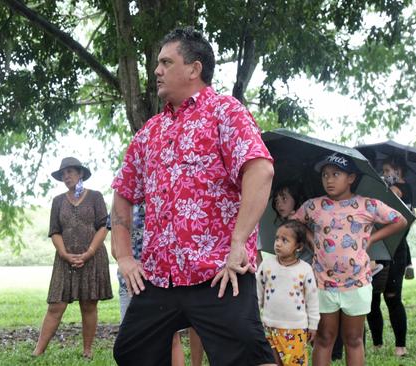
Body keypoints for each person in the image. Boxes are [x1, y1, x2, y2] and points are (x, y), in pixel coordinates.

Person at [111, 27, 276, 366]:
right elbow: (124, 194)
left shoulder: (225, 112)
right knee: (130, 351)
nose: (156, 70)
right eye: (157, 63)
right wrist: (125, 257)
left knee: (247, 355)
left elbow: (260, 171)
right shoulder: (148, 133)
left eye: (166, 62)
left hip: (218, 272)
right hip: (159, 276)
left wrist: (238, 244)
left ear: (194, 68)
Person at [292, 152, 407, 366]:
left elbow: (400, 220)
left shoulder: (367, 205)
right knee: (324, 338)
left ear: (351, 178)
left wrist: (372, 238)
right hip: (323, 283)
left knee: (353, 339)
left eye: (336, 174)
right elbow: (296, 221)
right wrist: (312, 241)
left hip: (357, 283)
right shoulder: (313, 206)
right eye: (325, 175)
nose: (329, 179)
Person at [33, 157, 113, 358]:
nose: (66, 176)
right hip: (65, 260)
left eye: (70, 172)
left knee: (88, 304)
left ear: (80, 173)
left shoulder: (95, 197)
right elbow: (55, 231)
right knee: (56, 305)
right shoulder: (58, 201)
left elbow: (104, 226)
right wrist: (64, 254)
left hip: (92, 258)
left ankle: (87, 351)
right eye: (63, 174)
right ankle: (38, 351)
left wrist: (89, 253)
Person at [108, 205, 205, 366]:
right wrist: (131, 264)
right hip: (131, 282)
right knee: (131, 342)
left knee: (171, 336)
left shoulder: (164, 199)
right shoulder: (121, 204)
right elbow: (115, 247)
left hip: (161, 279)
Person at [366, 156, 413, 357]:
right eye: (383, 171)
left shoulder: (404, 189)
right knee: (372, 299)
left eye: (388, 170)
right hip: (376, 250)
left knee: (393, 298)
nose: (385, 174)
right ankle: (377, 343)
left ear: (399, 171)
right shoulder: (381, 191)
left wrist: (387, 191)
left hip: (396, 250)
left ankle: (400, 345)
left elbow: (404, 218)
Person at [257, 220, 319, 366]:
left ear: (299, 246)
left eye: (285, 240)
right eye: (277, 238)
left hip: (295, 328)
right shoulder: (267, 265)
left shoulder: (305, 269)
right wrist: (254, 317)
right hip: (269, 327)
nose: (278, 243)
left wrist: (313, 325)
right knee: (271, 362)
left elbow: (312, 299)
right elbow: (258, 292)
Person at [271, 184, 312, 263]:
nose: (279, 204)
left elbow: (317, 250)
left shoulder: (309, 222)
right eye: (276, 200)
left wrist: (298, 223)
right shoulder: (284, 226)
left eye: (284, 198)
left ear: (296, 199)